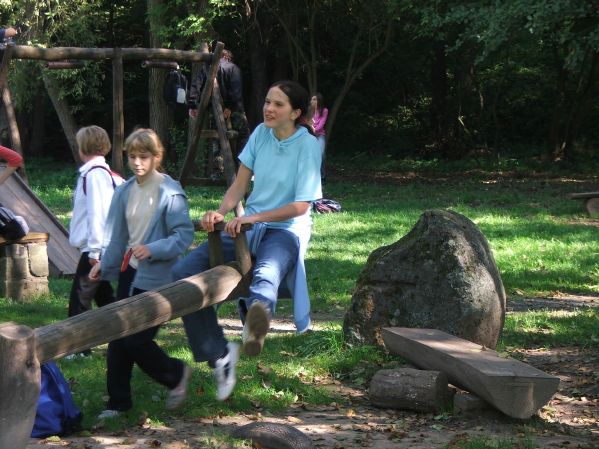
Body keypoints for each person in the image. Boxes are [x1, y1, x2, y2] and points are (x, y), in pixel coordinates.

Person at [173, 79, 321, 369]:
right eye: (267, 102)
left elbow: (301, 206)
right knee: (183, 271)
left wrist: (252, 217)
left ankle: (255, 327)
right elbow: (239, 185)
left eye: (278, 104)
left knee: (266, 274)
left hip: (286, 230)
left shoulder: (308, 145)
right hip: (249, 226)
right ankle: (215, 350)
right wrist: (220, 212)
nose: (269, 108)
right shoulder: (261, 134)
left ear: (295, 113)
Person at [89, 128, 194, 419]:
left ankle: (176, 374)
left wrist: (153, 248)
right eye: (132, 156)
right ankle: (118, 403)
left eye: (143, 156)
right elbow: (117, 237)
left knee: (135, 340)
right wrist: (104, 264)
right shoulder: (124, 191)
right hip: (130, 274)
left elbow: (183, 235)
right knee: (118, 337)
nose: (137, 162)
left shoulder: (170, 191)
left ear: (157, 157)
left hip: (159, 277)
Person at [67, 126, 122, 358]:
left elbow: (98, 213)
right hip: (100, 247)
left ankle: (79, 349)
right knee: (105, 298)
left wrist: (95, 251)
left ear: (83, 148)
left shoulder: (95, 175)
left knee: (80, 298)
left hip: (96, 249)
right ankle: (125, 334)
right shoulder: (99, 173)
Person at [188, 48, 250, 175]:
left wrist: (192, 105)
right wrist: (229, 107)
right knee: (244, 135)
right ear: (227, 57)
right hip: (234, 111)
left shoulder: (207, 69)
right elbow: (236, 91)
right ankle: (241, 165)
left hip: (215, 111)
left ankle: (217, 171)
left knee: (217, 140)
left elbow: (195, 86)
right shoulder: (233, 68)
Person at [309, 93, 328, 182]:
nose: (311, 101)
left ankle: (322, 176)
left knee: (321, 154)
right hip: (309, 135)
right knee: (309, 155)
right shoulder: (309, 111)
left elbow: (321, 125)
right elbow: (307, 123)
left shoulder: (324, 110)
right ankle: (312, 176)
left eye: (314, 99)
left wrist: (313, 129)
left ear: (318, 101)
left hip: (319, 135)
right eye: (311, 99)